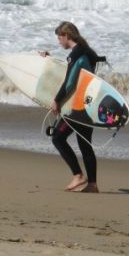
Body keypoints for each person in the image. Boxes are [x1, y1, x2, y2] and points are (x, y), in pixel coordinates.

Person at [40, 21, 103, 193]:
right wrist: (50, 59)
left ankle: (78, 175)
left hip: (77, 108)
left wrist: (57, 100)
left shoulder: (76, 54)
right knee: (84, 144)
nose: (59, 41)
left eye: (59, 38)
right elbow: (70, 70)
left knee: (58, 138)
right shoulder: (86, 52)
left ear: (66, 36)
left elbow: (69, 82)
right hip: (89, 104)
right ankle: (92, 184)